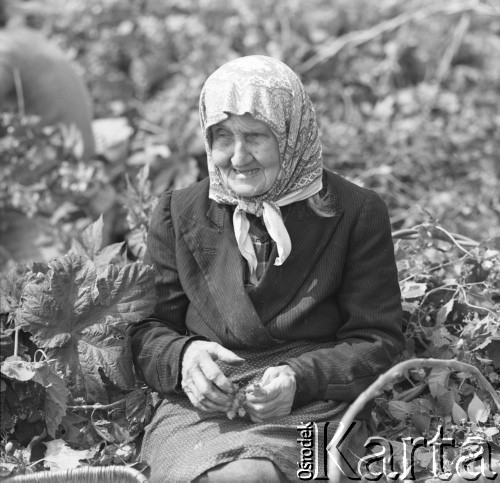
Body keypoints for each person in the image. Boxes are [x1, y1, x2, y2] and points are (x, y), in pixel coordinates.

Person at [129, 55, 404, 482]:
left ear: (292, 134)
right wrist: (185, 358)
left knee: (255, 475)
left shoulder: (355, 212)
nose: (237, 159)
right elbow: (147, 329)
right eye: (222, 137)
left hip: (314, 405)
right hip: (201, 408)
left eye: (256, 136)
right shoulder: (178, 212)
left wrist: (300, 379)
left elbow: (378, 341)